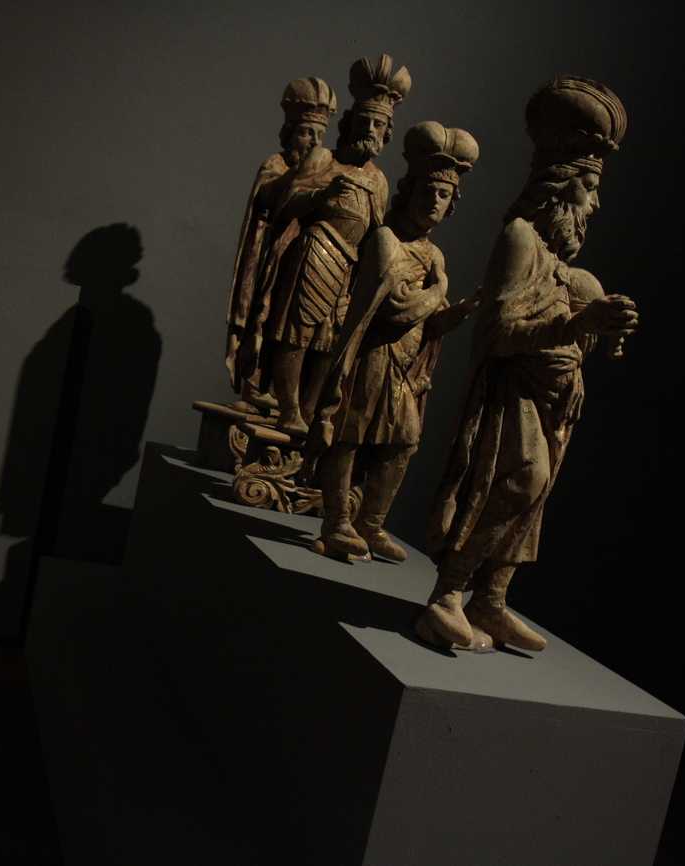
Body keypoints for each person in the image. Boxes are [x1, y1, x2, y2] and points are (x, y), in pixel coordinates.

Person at [417, 76, 638, 652]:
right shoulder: (520, 239)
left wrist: (604, 328)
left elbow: (576, 331)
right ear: (560, 184)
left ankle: (490, 599)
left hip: (554, 399)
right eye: (590, 188)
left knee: (535, 496)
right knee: (518, 483)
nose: (596, 203)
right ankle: (447, 594)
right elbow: (496, 332)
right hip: (511, 391)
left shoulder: (565, 267)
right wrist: (575, 326)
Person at [307, 122, 480, 561]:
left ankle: (371, 523)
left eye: (444, 195)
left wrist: (460, 310)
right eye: (429, 190)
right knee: (350, 434)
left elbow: (429, 324)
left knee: (402, 441)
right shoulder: (387, 239)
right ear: (410, 190)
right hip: (371, 357)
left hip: (403, 365)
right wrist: (440, 289)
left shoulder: (433, 254)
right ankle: (336, 522)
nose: (435, 201)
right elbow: (396, 308)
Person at [254, 55, 411, 437]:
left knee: (331, 342)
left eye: (378, 124)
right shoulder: (324, 158)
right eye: (363, 121)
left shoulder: (378, 179)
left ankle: (308, 410)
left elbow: (376, 230)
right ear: (350, 121)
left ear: (387, 132)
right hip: (313, 252)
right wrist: (323, 194)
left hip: (349, 267)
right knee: (295, 334)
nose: (369, 129)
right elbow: (285, 205)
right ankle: (289, 408)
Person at [225, 77, 337, 413]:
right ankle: (256, 383)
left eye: (319, 135)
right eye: (305, 133)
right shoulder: (276, 165)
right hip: (271, 264)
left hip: (305, 266)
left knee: (294, 330)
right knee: (264, 319)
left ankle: (282, 392)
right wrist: (303, 174)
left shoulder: (326, 171)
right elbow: (269, 196)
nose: (312, 142)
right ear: (288, 132)